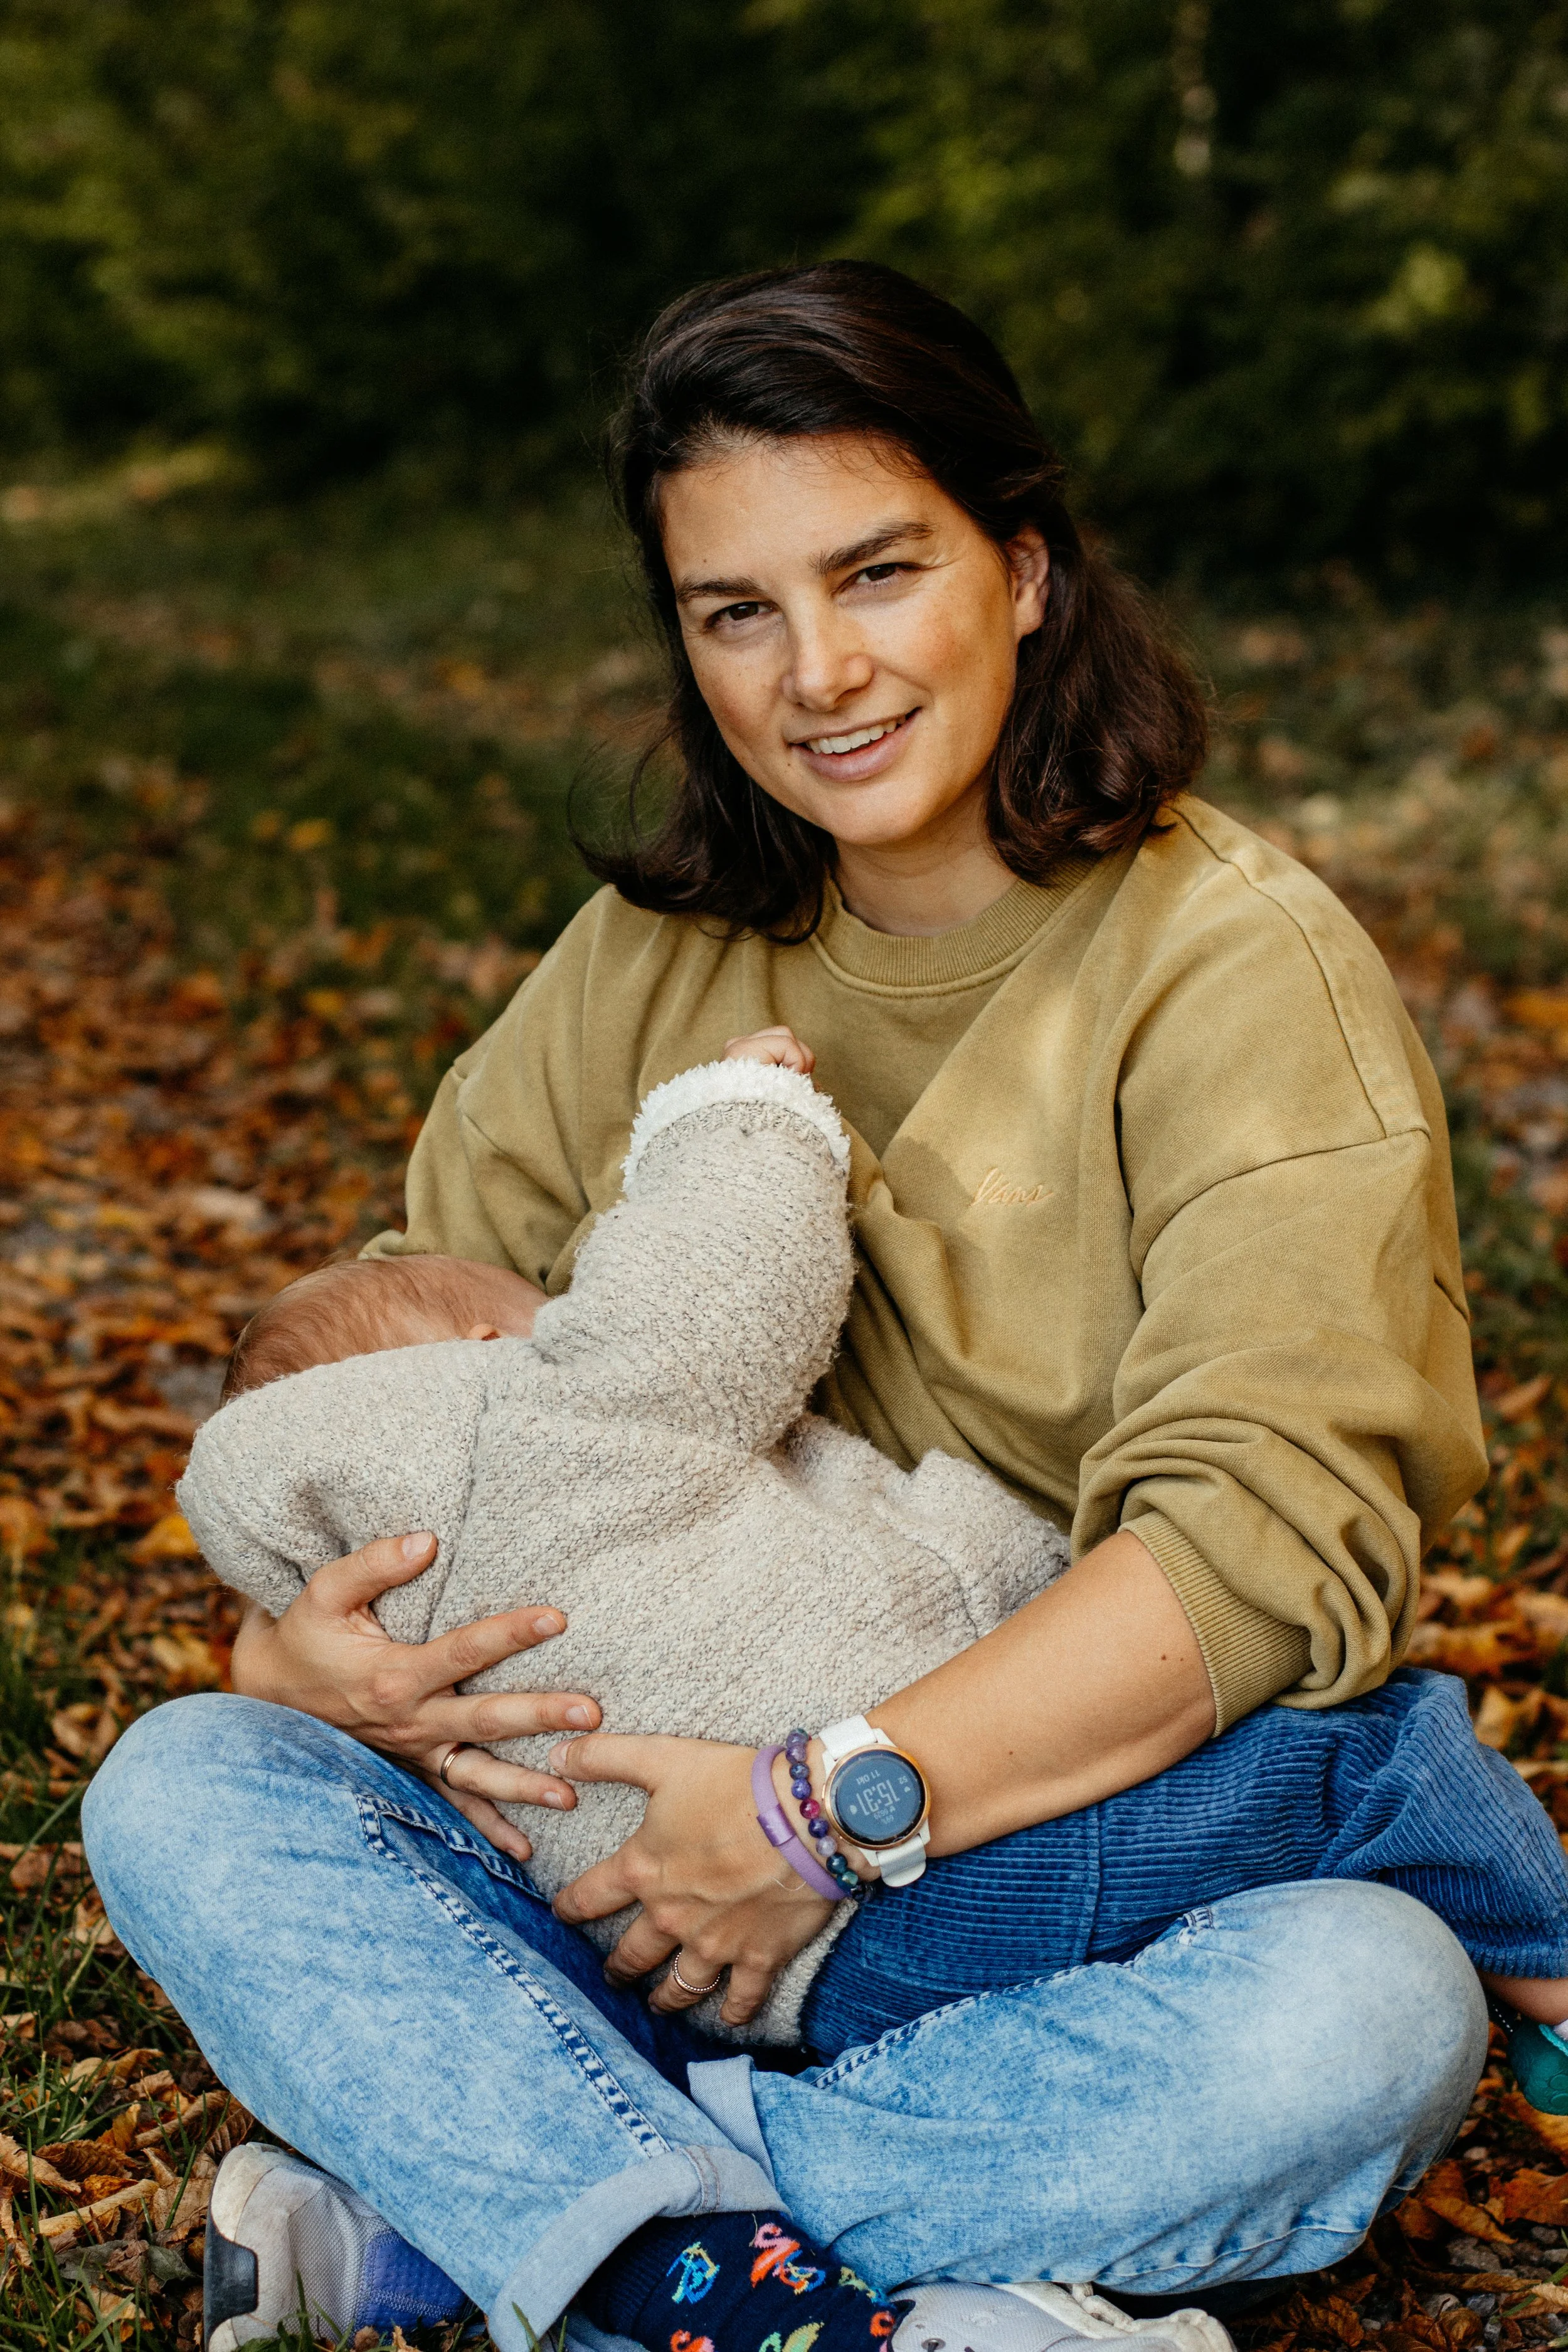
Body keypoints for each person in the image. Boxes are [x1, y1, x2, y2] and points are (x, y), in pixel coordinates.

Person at [85, 262, 1498, 2352]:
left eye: (877, 572)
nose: (817, 671)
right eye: (735, 609)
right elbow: (410, 1348)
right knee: (189, 1788)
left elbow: (1268, 1547)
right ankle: (736, 2232)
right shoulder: (653, 959)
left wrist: (819, 1818)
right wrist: (310, 1663)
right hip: (591, 1863)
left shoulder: (1233, 973)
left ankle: (528, 2221)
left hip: (1039, 1885)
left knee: (1367, 2018)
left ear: (1023, 569)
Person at [179, 1029, 1568, 2063]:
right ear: (487, 1347)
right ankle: (1557, 1982)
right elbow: (704, 1299)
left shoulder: (399, 1536)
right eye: (541, 1299)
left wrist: (276, 1642)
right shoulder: (542, 1419)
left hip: (694, 1966)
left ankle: (654, 2189)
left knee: (1355, 1994)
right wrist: (740, 1114)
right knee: (1370, 1757)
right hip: (910, 1902)